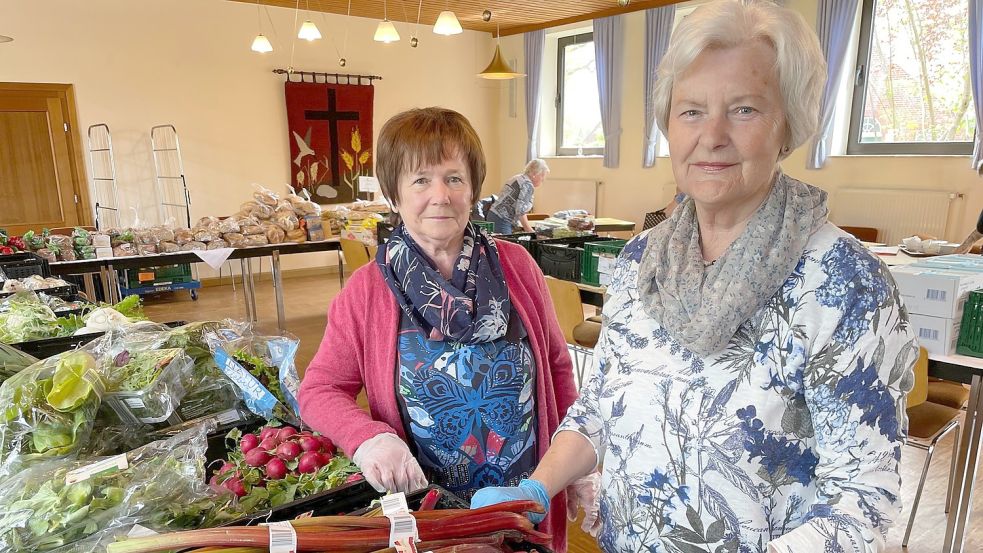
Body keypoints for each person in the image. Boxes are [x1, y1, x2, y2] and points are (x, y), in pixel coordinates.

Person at [471, 2, 917, 552]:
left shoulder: (847, 284)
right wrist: (538, 485)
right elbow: (601, 409)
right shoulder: (641, 262)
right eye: (691, 111)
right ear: (667, 126)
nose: (712, 135)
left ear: (789, 126)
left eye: (745, 109)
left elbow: (862, 503)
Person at [298, 107, 577, 552]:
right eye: (420, 180)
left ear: (473, 190)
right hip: (431, 517)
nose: (440, 195)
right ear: (394, 195)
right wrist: (369, 439)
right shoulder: (367, 289)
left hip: (524, 504)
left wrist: (576, 467)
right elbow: (319, 389)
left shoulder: (517, 267)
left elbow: (559, 369)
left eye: (454, 178)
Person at [487, 159, 550, 234]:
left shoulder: (518, 178)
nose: (543, 179)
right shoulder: (528, 185)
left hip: (493, 215)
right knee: (506, 245)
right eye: (542, 175)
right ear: (535, 174)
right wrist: (529, 230)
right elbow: (520, 211)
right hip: (503, 219)